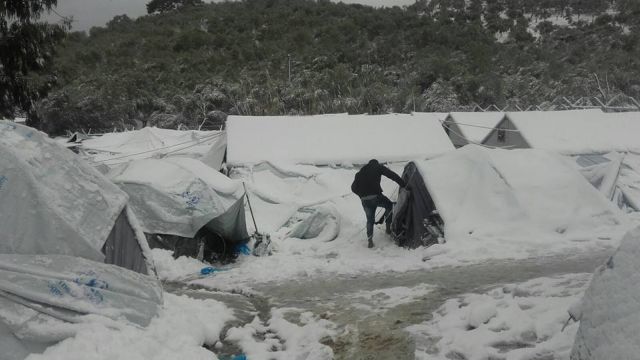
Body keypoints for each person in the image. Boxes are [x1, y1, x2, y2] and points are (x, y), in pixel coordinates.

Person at [351, 159, 405, 248]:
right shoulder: (378, 167)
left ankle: (370, 241)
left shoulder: (360, 172)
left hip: (365, 200)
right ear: (376, 163)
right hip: (376, 197)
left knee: (370, 220)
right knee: (389, 205)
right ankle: (388, 229)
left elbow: (353, 188)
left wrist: (362, 195)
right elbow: (391, 175)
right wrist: (402, 184)